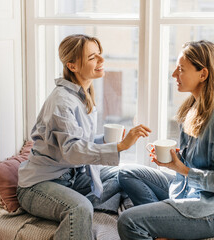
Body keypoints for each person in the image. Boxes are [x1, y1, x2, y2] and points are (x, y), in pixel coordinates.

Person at [117, 40, 214, 240]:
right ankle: (164, 226)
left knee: (128, 221)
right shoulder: (193, 107)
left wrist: (183, 170)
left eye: (181, 69)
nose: (174, 75)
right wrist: (176, 161)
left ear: (203, 74)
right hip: (191, 190)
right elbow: (199, 163)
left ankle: (161, 226)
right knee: (126, 173)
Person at [17, 34, 151, 240]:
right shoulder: (62, 102)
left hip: (72, 178)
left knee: (127, 175)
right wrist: (120, 146)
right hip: (39, 185)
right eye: (92, 57)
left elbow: (78, 143)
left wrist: (108, 142)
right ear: (72, 65)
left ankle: (156, 225)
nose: (101, 60)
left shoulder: (83, 94)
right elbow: (72, 151)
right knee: (80, 208)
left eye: (100, 55)